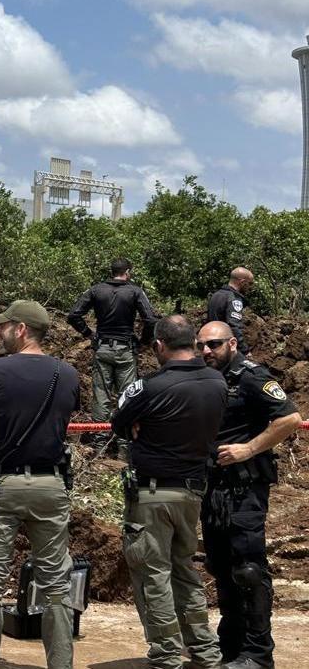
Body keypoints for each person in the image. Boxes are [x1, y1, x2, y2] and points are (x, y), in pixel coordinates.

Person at [0, 300, 80, 669]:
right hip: (51, 485)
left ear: (21, 330)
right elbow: (62, 417)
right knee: (56, 585)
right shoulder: (68, 373)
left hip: (5, 485)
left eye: (4, 326)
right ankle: (60, 664)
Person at [112, 315, 227, 669]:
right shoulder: (218, 382)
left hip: (151, 494)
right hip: (192, 493)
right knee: (185, 571)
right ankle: (205, 651)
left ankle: (166, 653)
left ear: (159, 345)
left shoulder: (148, 387)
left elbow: (118, 423)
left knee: (153, 575)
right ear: (193, 343)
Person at [198, 321, 301, 669]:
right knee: (221, 566)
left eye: (213, 344)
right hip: (213, 487)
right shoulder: (208, 378)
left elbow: (290, 418)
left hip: (245, 489)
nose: (206, 351)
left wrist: (249, 449)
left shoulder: (253, 376)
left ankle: (258, 653)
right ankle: (231, 644)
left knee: (248, 569)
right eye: (201, 345)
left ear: (232, 343)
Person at [66, 258, 159, 431]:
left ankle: (100, 440)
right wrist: (144, 342)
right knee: (128, 395)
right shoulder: (135, 291)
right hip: (125, 349)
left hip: (102, 348)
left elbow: (73, 315)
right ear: (128, 272)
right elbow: (151, 319)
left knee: (101, 395)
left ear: (112, 272)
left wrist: (88, 333)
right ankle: (124, 443)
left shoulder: (96, 290)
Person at [207, 267, 255, 355]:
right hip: (224, 348)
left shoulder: (216, 295)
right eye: (250, 283)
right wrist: (244, 350)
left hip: (211, 344)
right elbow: (234, 325)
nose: (250, 287)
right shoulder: (234, 299)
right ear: (242, 282)